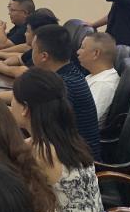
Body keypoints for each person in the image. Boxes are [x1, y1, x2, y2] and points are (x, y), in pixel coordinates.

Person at [11, 68, 104, 212]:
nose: (10, 105)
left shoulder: (42, 153)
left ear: (25, 109)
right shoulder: (63, 139)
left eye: (13, 99)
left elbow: (1, 181)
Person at [30, 25, 101, 159]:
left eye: (33, 49)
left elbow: (39, 126)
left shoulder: (62, 86)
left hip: (76, 160)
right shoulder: (69, 72)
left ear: (44, 56)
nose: (31, 52)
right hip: (69, 152)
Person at [0, 10, 58, 78]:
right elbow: (20, 59)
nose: (25, 34)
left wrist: (3, 68)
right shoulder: (38, 48)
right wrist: (4, 63)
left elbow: (25, 72)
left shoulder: (47, 51)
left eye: (27, 31)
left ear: (37, 35)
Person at [76, 32, 119, 125]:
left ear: (96, 53)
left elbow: (86, 120)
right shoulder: (94, 76)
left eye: (82, 48)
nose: (78, 52)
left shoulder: (103, 84)